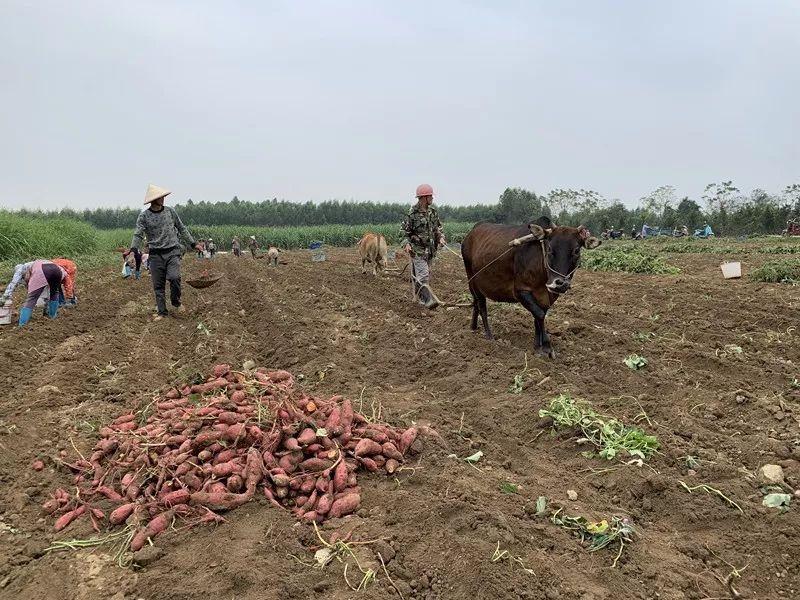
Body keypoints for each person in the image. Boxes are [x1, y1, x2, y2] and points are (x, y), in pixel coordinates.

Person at [130, 184, 201, 320]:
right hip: (155, 254)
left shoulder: (170, 212)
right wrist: (133, 250)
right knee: (158, 285)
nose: (163, 199)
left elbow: (181, 228)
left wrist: (193, 243)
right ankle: (162, 312)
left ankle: (176, 301)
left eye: (163, 196)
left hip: (172, 251)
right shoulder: (144, 216)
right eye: (160, 197)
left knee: (174, 277)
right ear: (153, 200)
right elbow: (138, 234)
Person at [400, 183, 445, 309]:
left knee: (423, 275)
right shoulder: (412, 213)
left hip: (430, 250)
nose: (432, 198)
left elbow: (438, 228)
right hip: (417, 250)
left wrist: (441, 237)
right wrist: (406, 244)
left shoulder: (433, 212)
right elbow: (404, 232)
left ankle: (419, 297)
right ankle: (428, 301)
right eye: (430, 196)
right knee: (423, 275)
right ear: (424, 197)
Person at [1, 260, 67, 326]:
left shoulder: (21, 268)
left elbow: (13, 283)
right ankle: (53, 317)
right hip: (57, 270)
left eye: (23, 277)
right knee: (54, 293)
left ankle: (22, 324)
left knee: (32, 298)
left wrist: (5, 296)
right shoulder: (35, 264)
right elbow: (63, 273)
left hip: (42, 270)